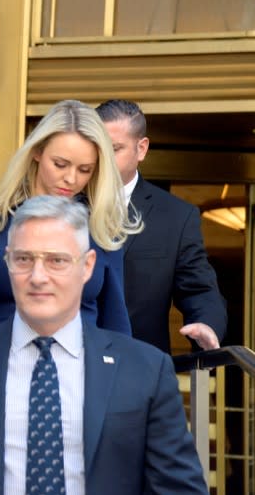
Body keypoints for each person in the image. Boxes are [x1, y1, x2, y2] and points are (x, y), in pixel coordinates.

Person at [0, 195, 208, 495]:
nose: (38, 276)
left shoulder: (145, 371)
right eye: (24, 259)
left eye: (57, 260)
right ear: (7, 262)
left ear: (87, 266)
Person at [0, 99, 140, 333]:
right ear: (36, 151)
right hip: (2, 360)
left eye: (85, 169)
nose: (71, 178)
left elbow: (115, 319)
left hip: (85, 362)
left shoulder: (102, 222)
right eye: (60, 164)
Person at [96, 99, 226, 352]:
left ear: (141, 149)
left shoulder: (176, 216)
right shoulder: (65, 204)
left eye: (114, 149)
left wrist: (206, 325)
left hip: (139, 370)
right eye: (96, 148)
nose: (103, 159)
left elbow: (198, 288)